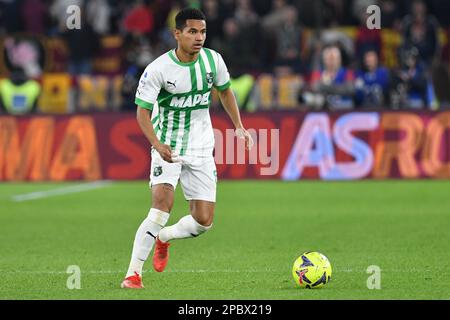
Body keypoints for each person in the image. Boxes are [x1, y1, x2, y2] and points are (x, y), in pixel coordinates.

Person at [121, 8, 253, 289]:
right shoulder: (157, 69)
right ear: (177, 34)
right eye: (193, 31)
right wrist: (157, 144)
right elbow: (142, 113)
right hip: (167, 146)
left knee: (204, 221)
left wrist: (239, 126)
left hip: (201, 147)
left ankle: (164, 238)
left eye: (203, 32)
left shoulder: (212, 60)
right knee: (161, 206)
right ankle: (133, 274)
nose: (199, 37)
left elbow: (226, 91)